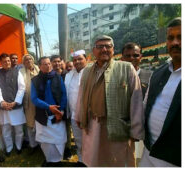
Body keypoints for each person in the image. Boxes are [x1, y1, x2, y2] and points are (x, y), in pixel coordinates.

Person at [75, 35, 144, 167]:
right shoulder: (87, 71)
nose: (104, 49)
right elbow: (81, 95)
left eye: (108, 46)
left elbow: (136, 101)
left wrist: (136, 131)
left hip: (117, 126)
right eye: (100, 47)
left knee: (117, 161)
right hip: (93, 124)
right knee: (94, 158)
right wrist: (79, 116)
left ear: (113, 50)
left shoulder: (126, 68)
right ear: (93, 51)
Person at [139, 17, 181, 167]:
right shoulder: (158, 72)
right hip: (149, 151)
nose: (175, 42)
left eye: (180, 37)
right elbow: (146, 104)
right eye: (171, 38)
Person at [31, 57, 67, 166]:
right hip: (43, 116)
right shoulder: (35, 80)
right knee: (45, 142)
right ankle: (49, 159)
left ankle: (58, 160)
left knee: (59, 140)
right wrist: (49, 107)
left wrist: (59, 112)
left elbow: (64, 95)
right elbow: (34, 99)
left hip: (58, 116)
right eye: (45, 64)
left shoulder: (58, 77)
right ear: (40, 66)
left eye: (49, 63)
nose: (48, 66)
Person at [0, 53, 26, 156]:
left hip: (16, 106)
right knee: (6, 130)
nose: (7, 63)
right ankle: (9, 148)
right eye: (4, 61)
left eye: (8, 61)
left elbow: (22, 88)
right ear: (1, 62)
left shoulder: (17, 72)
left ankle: (18, 146)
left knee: (19, 130)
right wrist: (2, 102)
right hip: (4, 108)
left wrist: (16, 101)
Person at [64, 50, 87, 166]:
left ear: (86, 59)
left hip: (88, 115)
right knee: (78, 139)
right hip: (73, 114)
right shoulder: (69, 75)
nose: (77, 62)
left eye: (80, 59)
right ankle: (81, 160)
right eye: (75, 60)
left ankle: (91, 161)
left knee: (89, 140)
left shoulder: (91, 73)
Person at [20, 54, 40, 153]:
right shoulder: (21, 72)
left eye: (30, 59)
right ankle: (33, 145)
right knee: (30, 124)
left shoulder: (39, 69)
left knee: (40, 123)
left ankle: (41, 144)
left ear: (33, 60)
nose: (28, 61)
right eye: (26, 60)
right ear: (23, 62)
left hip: (40, 101)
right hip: (28, 102)